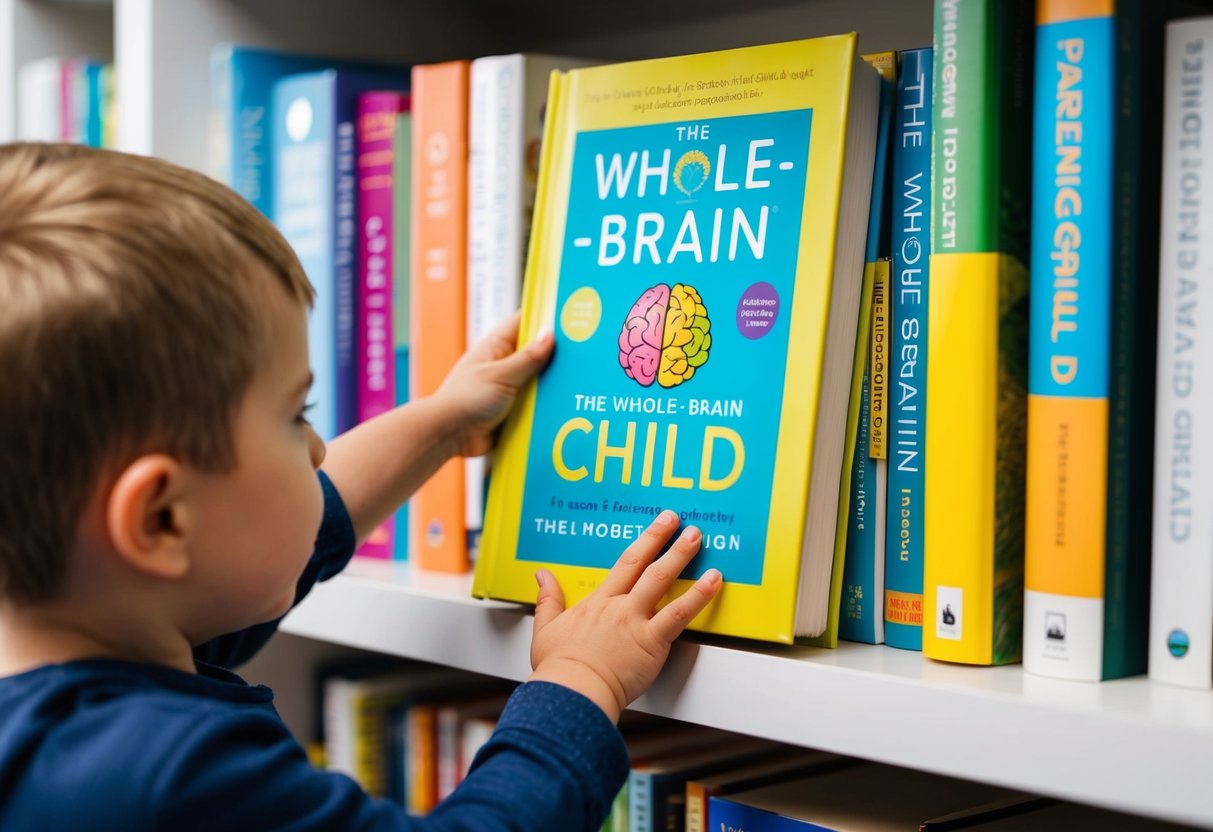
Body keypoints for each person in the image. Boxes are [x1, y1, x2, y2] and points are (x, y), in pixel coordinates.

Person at [0, 142, 723, 830]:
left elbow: (301, 527)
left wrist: (444, 422)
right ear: (161, 520)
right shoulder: (171, 777)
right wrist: (581, 678)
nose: (318, 449)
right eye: (296, 415)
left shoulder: (74, 661)